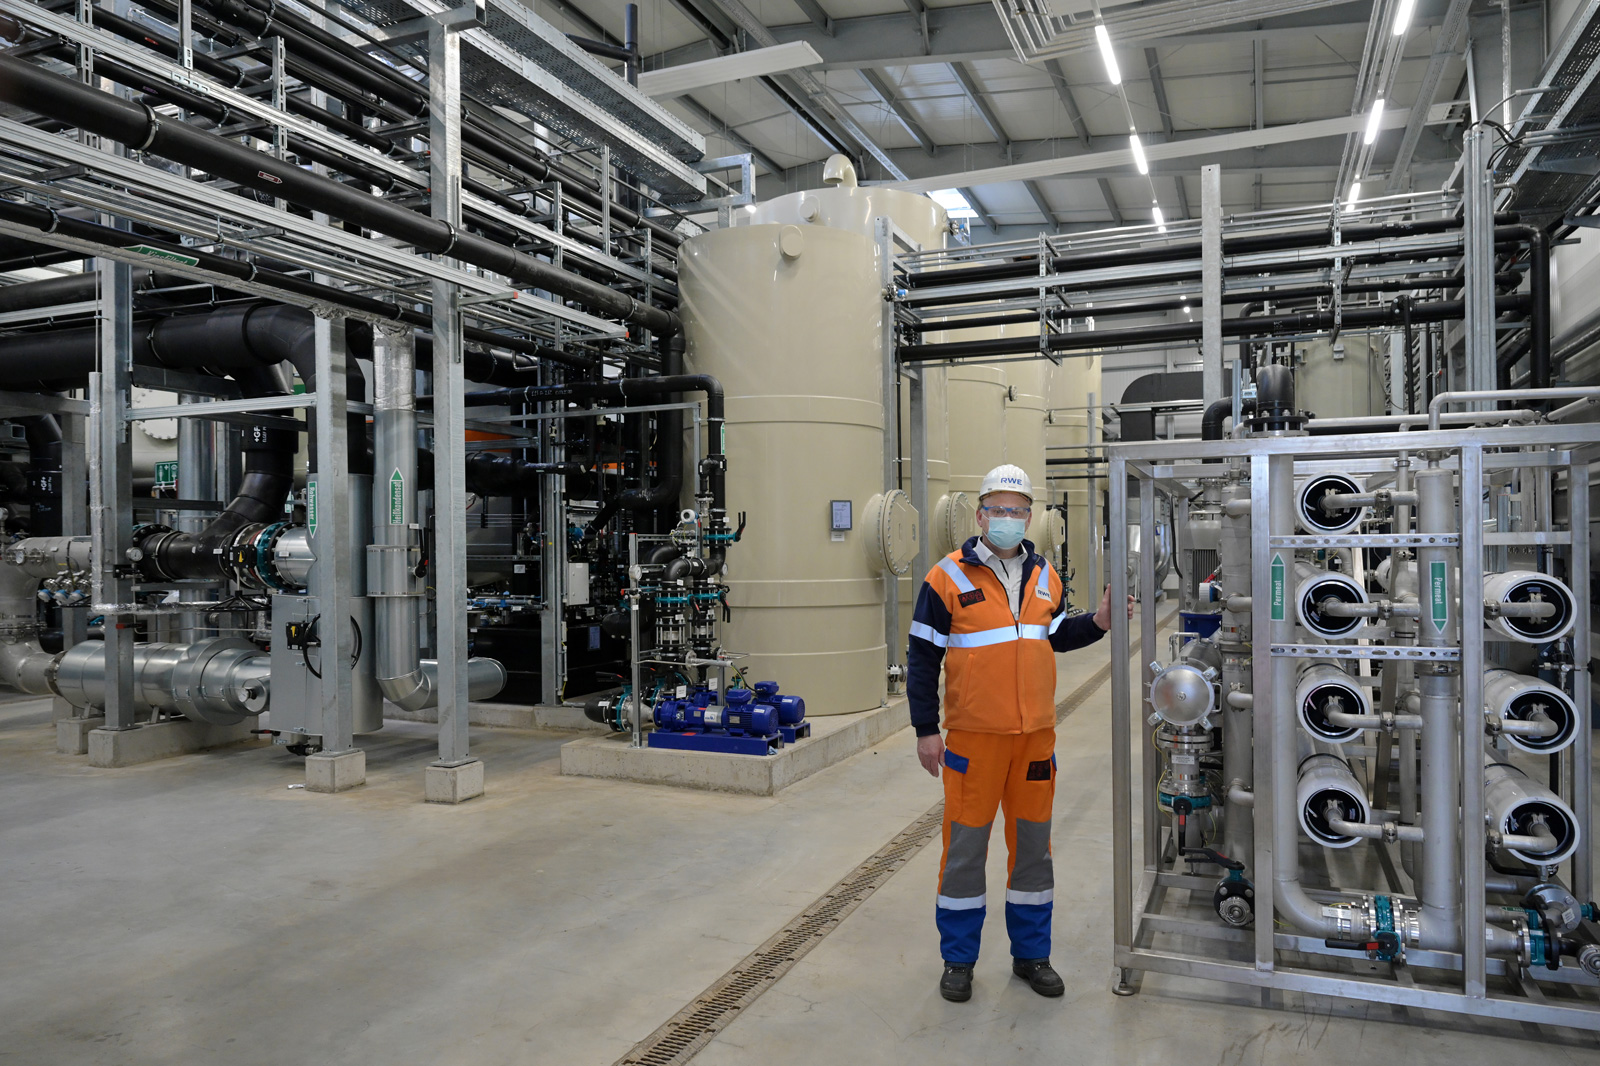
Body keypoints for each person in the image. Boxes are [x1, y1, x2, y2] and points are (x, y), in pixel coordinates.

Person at [906, 463, 1132, 1003]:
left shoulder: (1045, 574)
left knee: (1033, 851)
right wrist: (924, 729)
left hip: (1035, 740)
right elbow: (921, 657)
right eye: (998, 509)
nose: (1008, 518)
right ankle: (958, 960)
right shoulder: (946, 577)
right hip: (972, 742)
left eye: (1018, 510)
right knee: (964, 851)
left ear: (1030, 517)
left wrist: (1097, 622)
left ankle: (1031, 955)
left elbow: (1053, 634)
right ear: (980, 514)